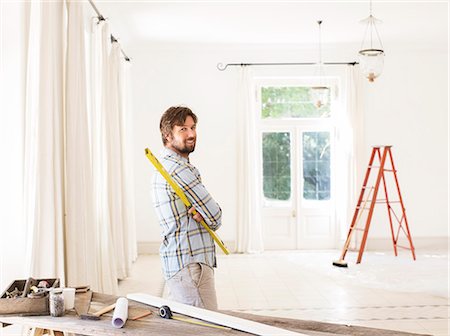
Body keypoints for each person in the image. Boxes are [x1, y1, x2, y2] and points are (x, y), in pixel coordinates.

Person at [152, 106, 222, 310]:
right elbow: (215, 216)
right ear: (167, 135)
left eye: (193, 127)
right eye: (183, 129)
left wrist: (204, 214)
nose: (191, 134)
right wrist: (208, 215)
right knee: (207, 329)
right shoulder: (178, 169)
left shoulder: (164, 166)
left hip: (180, 264)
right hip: (191, 266)